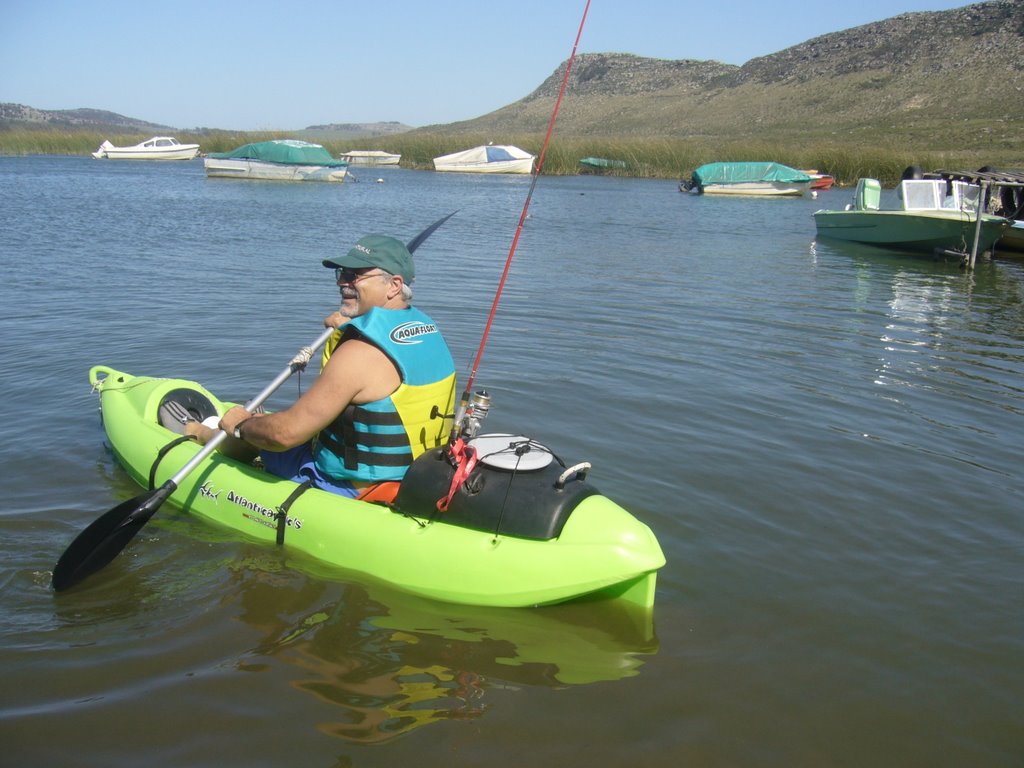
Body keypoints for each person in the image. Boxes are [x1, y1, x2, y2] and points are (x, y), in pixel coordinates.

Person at [186, 233, 457, 497]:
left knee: (259, 430)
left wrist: (241, 425)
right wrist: (350, 325)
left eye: (355, 275)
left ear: (394, 285)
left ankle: (198, 432)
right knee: (268, 423)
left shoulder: (359, 353)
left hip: (347, 484)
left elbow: (284, 434)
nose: (342, 282)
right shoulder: (426, 330)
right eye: (341, 273)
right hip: (415, 476)